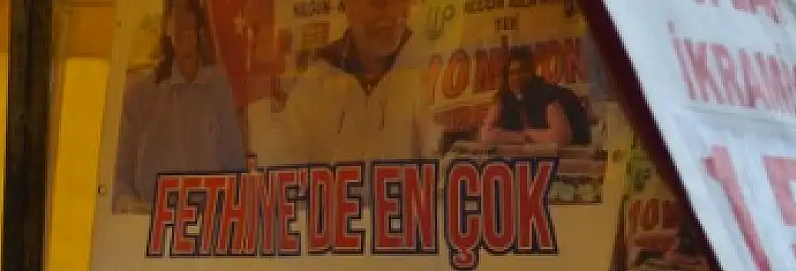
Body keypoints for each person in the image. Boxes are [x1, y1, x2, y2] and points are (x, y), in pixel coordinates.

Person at [110, 0, 250, 213]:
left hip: (209, 225)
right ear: (166, 25)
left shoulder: (219, 90)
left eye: (191, 15)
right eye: (178, 16)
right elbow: (119, 179)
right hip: (148, 231)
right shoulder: (139, 96)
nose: (186, 25)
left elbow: (236, 168)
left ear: (201, 27)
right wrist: (132, 208)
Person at [264, 0, 438, 164]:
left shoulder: (430, 72)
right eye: (376, 2)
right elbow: (285, 173)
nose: (390, 12)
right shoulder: (316, 84)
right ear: (348, 6)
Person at [479, 47, 591, 148]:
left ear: (532, 73)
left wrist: (527, 136)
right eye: (512, 73)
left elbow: (561, 137)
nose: (518, 77)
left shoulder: (547, 94)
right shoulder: (504, 97)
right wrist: (520, 138)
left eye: (522, 71)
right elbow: (486, 133)